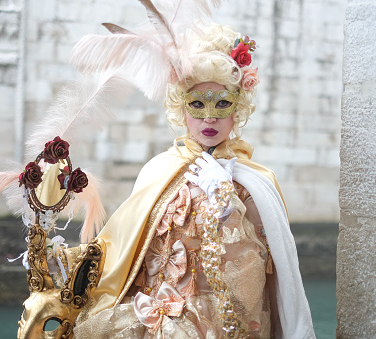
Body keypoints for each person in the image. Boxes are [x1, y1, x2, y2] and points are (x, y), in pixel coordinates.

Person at [70, 22, 315, 339]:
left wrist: (225, 199)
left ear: (236, 109)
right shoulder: (158, 170)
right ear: (181, 109)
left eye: (221, 103)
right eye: (197, 104)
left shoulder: (255, 182)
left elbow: (252, 272)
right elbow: (127, 255)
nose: (209, 117)